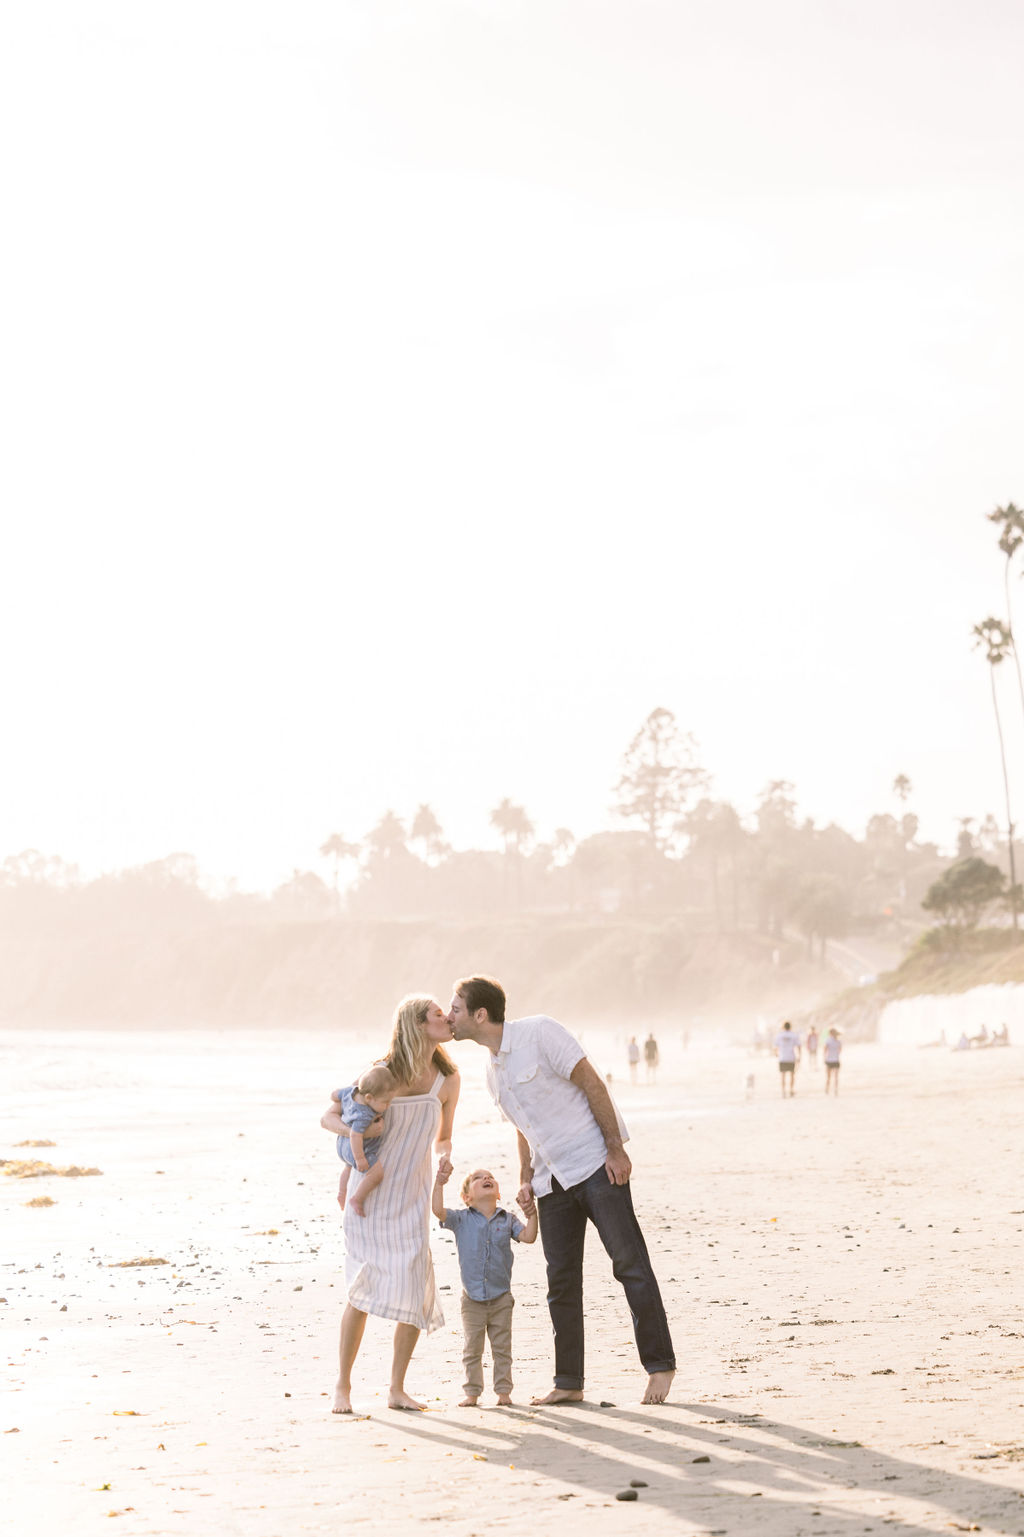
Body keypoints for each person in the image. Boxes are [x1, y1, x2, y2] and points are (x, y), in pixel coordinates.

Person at [447, 975, 675, 1406]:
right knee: (561, 1282)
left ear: (480, 1014)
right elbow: (523, 1127)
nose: (449, 1016)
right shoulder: (492, 1073)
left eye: (455, 1008)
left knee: (630, 1264)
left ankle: (660, 1365)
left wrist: (615, 1149)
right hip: (550, 1182)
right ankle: (569, 1381)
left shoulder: (539, 1032)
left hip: (594, 1165)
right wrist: (524, 1177)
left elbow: (592, 1083)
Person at [320, 994, 460, 1413]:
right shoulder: (380, 1074)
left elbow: (444, 1135)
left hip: (412, 1195)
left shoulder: (447, 1080)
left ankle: (397, 1388)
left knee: (415, 1287)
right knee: (362, 1289)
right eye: (438, 1014)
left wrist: (446, 1158)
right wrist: (354, 1137)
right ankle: (342, 1386)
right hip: (372, 1197)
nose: (448, 1018)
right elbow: (328, 1116)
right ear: (417, 1024)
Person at [432, 1163, 538, 1406]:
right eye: (478, 1178)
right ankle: (472, 1392)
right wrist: (439, 1183)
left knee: (502, 1349)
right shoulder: (460, 1219)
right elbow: (438, 1210)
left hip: (501, 1297)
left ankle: (503, 1392)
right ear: (467, 1197)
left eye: (490, 1177)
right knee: (472, 1349)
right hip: (472, 1300)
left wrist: (532, 1214)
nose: (486, 1178)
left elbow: (529, 1237)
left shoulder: (508, 1219)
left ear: (498, 1193)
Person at [332, 1065, 398, 1218]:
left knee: (347, 1168)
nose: (388, 1106)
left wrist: (334, 1096)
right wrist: (360, 1158)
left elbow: (335, 1095)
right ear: (369, 1098)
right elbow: (355, 1135)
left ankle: (342, 1193)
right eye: (386, 1102)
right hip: (356, 1148)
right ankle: (357, 1198)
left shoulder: (350, 1091)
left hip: (341, 1145)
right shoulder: (365, 1114)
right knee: (376, 1173)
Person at [774, 1020, 800, 1097]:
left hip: (782, 1057)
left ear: (783, 1027)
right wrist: (799, 1056)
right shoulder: (793, 1035)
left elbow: (775, 1047)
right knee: (792, 1075)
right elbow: (798, 1046)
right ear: (790, 1027)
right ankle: (791, 1090)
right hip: (791, 1057)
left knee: (783, 1075)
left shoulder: (779, 1035)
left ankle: (783, 1091)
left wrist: (776, 1054)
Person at [823, 1027, 842, 1094]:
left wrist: (824, 1058)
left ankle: (827, 1089)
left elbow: (825, 1050)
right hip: (836, 1060)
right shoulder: (838, 1041)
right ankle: (835, 1089)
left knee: (828, 1077)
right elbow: (840, 1050)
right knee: (836, 1076)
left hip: (829, 1060)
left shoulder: (827, 1040)